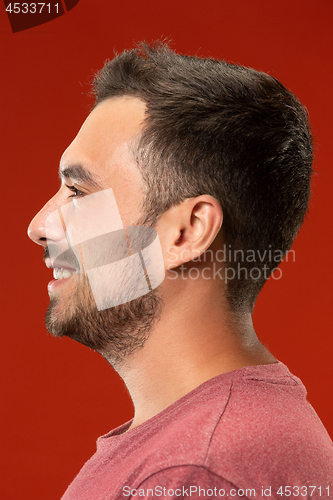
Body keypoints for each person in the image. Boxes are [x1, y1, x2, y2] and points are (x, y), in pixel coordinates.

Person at [28, 42, 333, 499]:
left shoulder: (195, 470)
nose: (37, 227)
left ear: (187, 232)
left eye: (77, 191)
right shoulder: (212, 445)